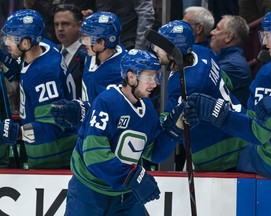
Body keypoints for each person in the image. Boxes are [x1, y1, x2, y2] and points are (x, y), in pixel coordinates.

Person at [64, 49, 186, 215]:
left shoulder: (148, 109)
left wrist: (175, 130)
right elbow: (94, 155)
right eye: (149, 77)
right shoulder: (106, 102)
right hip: (89, 193)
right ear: (131, 77)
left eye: (157, 77)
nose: (155, 83)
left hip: (125, 195)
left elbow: (154, 153)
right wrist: (131, 177)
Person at [186, 8, 271, 178]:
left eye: (268, 36)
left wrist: (219, 114)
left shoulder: (270, 73)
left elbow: (258, 134)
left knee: (235, 153)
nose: (265, 43)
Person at [150, 20, 247, 172]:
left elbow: (170, 123)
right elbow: (227, 82)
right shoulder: (201, 51)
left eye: (160, 47)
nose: (155, 49)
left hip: (220, 153)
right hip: (240, 131)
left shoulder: (184, 84)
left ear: (174, 51)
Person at [0, 9, 78, 169]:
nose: (6, 42)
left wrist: (15, 132)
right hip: (49, 155)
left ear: (25, 43)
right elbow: (24, 71)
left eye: (10, 38)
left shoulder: (43, 75)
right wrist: (4, 58)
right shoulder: (43, 47)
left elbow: (52, 127)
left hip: (55, 158)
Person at [210, 15, 252, 107]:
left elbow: (203, 87)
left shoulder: (234, 66)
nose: (212, 32)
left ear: (228, 36)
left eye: (217, 29)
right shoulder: (225, 59)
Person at [82, 0, 155, 50]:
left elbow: (145, 13)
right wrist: (93, 17)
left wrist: (139, 49)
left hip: (127, 43)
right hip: (102, 44)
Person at [54, 3, 86, 99]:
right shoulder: (52, 52)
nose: (60, 29)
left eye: (65, 24)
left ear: (79, 25)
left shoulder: (88, 54)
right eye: (56, 24)